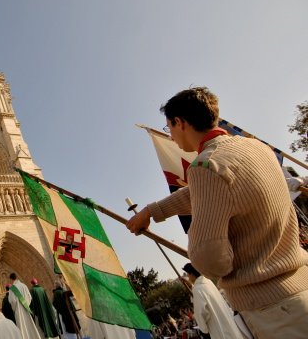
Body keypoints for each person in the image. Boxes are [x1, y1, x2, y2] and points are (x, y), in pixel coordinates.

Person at [125, 87, 308, 338]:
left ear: (180, 122)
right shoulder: (256, 147)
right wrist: (151, 211)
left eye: (169, 128)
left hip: (272, 309)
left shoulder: (206, 165)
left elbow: (210, 257)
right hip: (300, 284)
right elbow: (206, 191)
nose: (172, 137)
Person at [182, 263, 243, 339]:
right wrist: (190, 285)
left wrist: (204, 330)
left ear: (191, 274)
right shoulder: (208, 282)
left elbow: (200, 313)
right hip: (228, 323)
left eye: (188, 274)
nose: (188, 277)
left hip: (217, 328)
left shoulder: (197, 289)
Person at [8, 273, 41, 339]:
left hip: (19, 311)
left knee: (21, 327)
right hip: (26, 309)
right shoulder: (24, 285)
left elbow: (12, 301)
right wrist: (26, 305)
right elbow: (29, 297)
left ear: (11, 279)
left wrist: (15, 308)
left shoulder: (12, 288)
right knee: (30, 326)